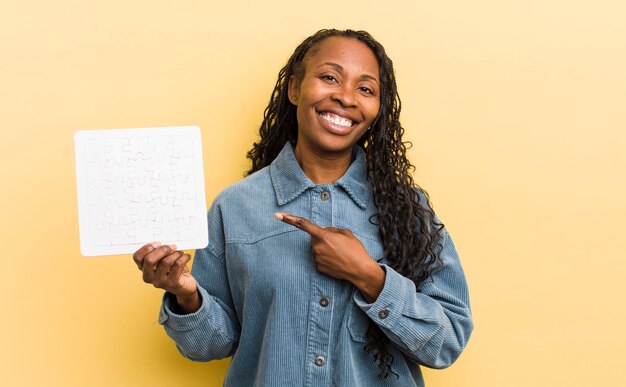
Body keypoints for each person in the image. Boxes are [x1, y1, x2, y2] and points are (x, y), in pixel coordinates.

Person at [132, 29, 473, 386]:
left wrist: (368, 276)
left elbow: (447, 342)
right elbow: (213, 345)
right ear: (295, 88)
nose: (345, 97)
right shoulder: (234, 206)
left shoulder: (407, 208)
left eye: (366, 89)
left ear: (377, 109)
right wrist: (187, 296)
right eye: (329, 78)